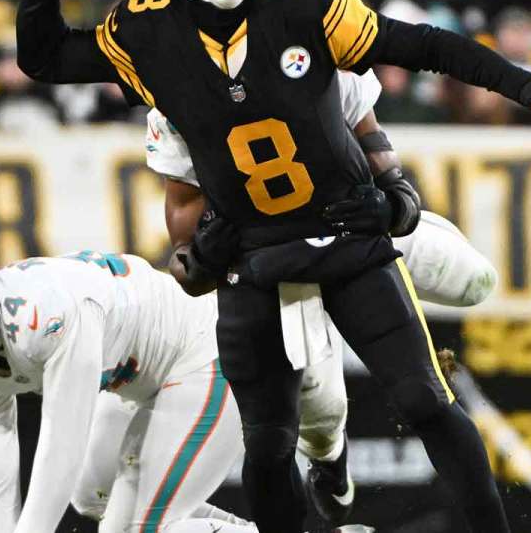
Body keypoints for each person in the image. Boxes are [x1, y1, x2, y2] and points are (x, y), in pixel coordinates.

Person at [15, 0, 531, 532]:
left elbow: (424, 46)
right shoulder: (145, 29)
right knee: (268, 445)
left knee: (428, 396)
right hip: (254, 255)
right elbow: (45, 59)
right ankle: (329, 471)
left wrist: (526, 88)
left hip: (346, 230)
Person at [140, 68, 499, 526]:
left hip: (350, 234)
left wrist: (397, 201)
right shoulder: (177, 88)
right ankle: (332, 464)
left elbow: (373, 139)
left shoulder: (309, 45)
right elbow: (188, 264)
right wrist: (202, 256)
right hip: (267, 264)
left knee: (475, 283)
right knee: (308, 425)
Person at [0, 233, 372, 533]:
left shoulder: (43, 312)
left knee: (135, 529)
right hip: (136, 379)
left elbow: (62, 441)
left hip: (203, 352)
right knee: (91, 495)